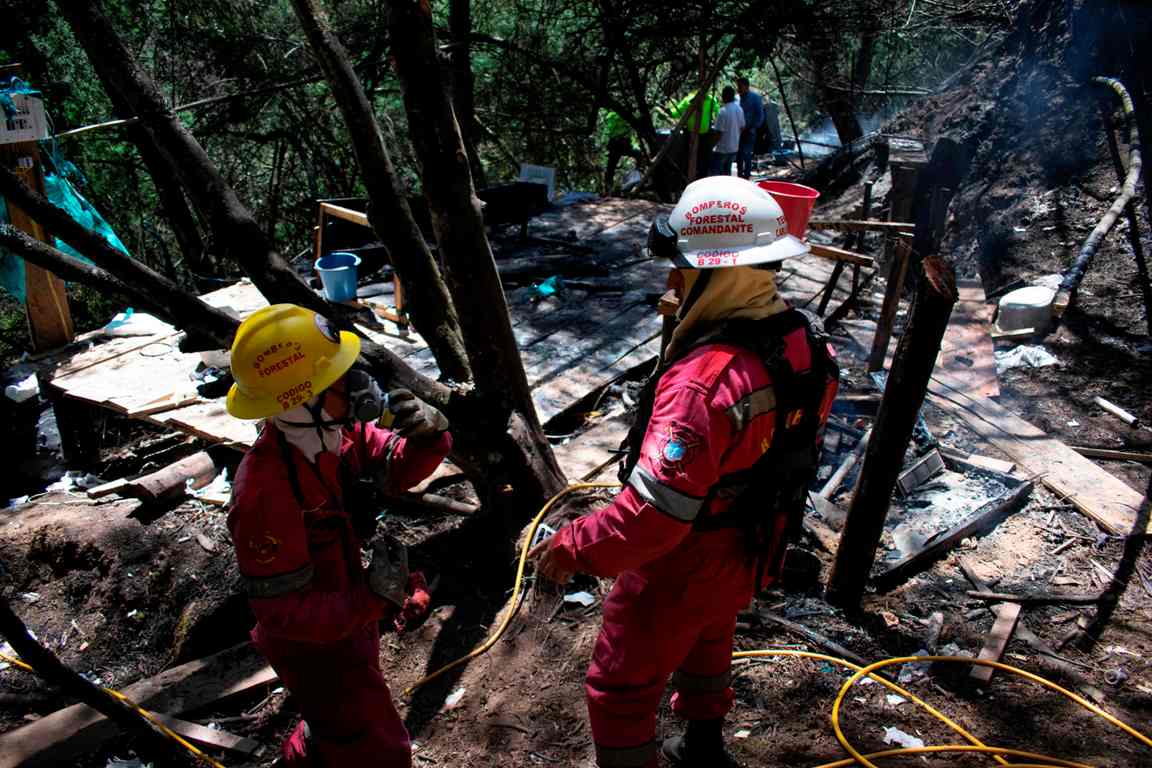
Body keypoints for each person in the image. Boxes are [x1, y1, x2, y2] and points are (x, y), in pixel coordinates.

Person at [529, 176, 839, 768]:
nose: (671, 281)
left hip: (685, 560)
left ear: (716, 270)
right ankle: (703, 749)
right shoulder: (807, 343)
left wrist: (573, 544)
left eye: (681, 267)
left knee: (618, 686)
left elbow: (652, 519)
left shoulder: (704, 384)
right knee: (711, 635)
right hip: (754, 543)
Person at [225, 304, 452, 767]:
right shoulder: (265, 495)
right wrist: (369, 598)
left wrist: (431, 437)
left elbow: (396, 469)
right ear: (299, 397)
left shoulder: (335, 433)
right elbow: (282, 615)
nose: (357, 388)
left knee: (339, 728)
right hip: (315, 650)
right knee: (378, 750)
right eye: (339, 380)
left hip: (345, 617)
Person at [601, 109, 644, 196]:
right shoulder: (616, 115)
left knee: (611, 167)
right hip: (618, 144)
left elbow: (609, 131)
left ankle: (636, 176)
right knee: (611, 167)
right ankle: (608, 189)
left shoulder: (625, 116)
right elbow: (609, 131)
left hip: (622, 144)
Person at [710, 86, 744, 177]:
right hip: (734, 148)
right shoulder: (739, 109)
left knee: (717, 175)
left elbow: (718, 133)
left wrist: (711, 146)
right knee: (727, 174)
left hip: (722, 149)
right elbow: (742, 127)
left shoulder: (723, 111)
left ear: (724, 96)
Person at [735, 77, 765, 179]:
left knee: (747, 153)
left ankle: (747, 175)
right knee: (738, 153)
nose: (738, 88)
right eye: (737, 86)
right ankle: (739, 174)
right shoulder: (737, 98)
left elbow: (760, 115)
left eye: (740, 86)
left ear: (746, 86)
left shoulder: (755, 98)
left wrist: (752, 127)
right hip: (738, 131)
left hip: (750, 130)